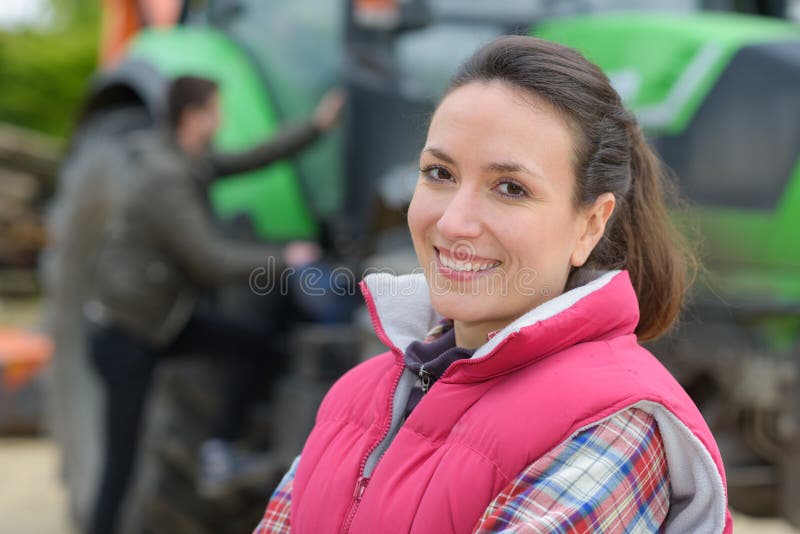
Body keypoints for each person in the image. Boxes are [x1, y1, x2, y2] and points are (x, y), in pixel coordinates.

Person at [254, 35, 733, 534]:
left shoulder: (612, 429)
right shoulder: (354, 400)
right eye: (439, 173)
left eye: (510, 188)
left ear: (590, 224)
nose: (455, 222)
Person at [86, 75, 343, 534]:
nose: (221, 118)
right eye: (215, 109)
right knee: (121, 463)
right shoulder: (166, 177)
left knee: (254, 345)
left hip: (161, 325)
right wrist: (287, 257)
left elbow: (252, 158)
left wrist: (316, 126)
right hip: (127, 337)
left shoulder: (190, 160)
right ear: (194, 116)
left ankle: (219, 449)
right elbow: (209, 260)